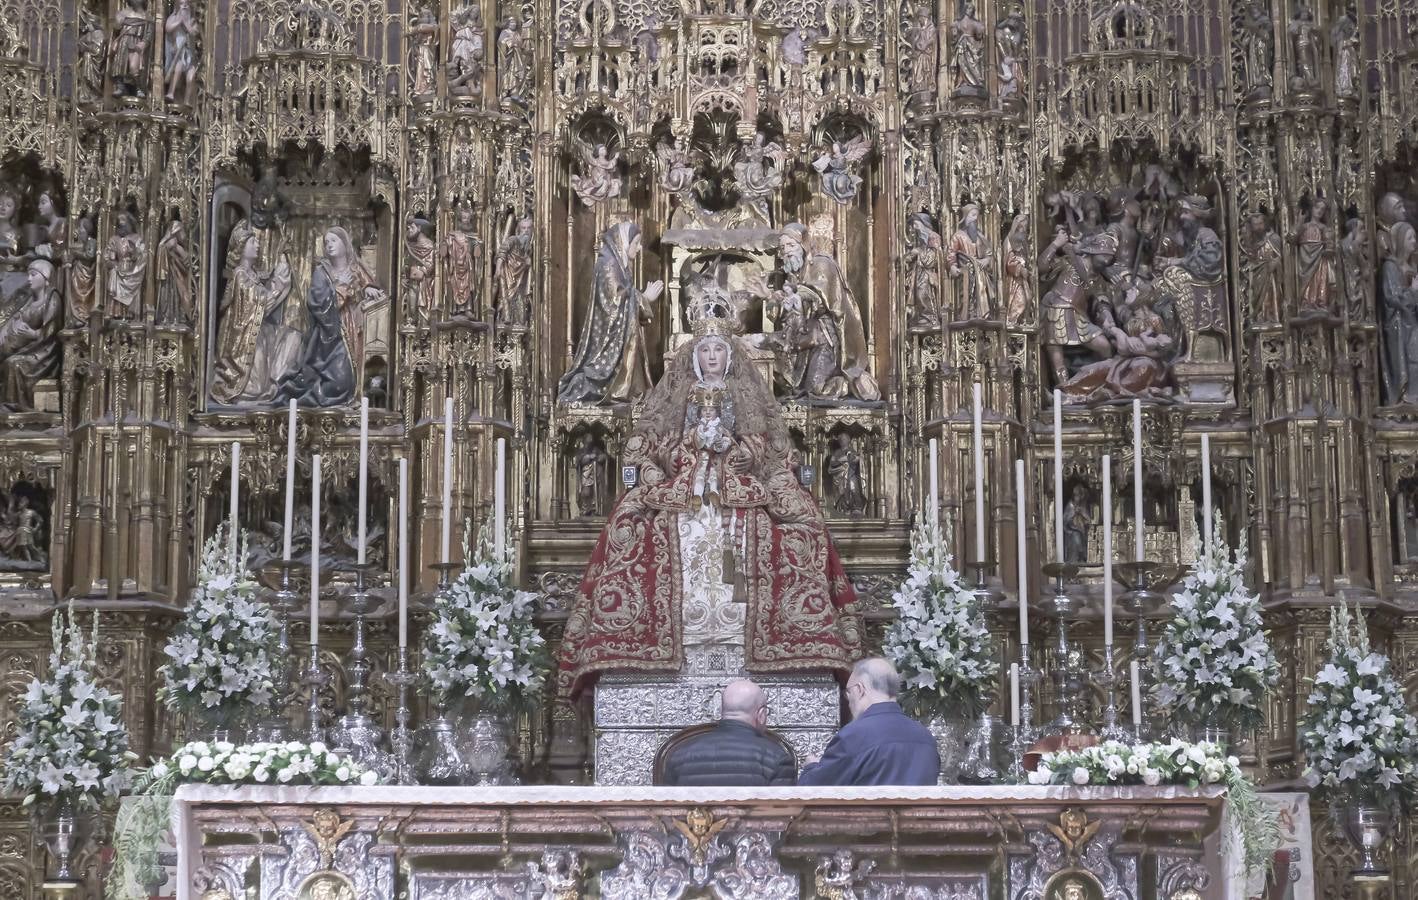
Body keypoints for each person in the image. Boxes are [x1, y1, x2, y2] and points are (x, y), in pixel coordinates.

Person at [797, 658, 940, 786]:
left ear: (859, 689)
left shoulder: (854, 736)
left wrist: (811, 767)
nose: (849, 701)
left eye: (848, 692)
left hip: (868, 816)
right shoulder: (926, 737)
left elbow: (813, 791)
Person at [661, 679, 795, 787]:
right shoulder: (777, 757)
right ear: (761, 714)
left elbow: (667, 814)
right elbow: (783, 817)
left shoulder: (679, 755)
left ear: (722, 711)